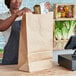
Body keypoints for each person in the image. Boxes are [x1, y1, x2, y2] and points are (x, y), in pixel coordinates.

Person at [0, 0, 51, 65]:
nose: (17, 1)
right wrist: (16, 14)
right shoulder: (3, 17)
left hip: (27, 57)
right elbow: (1, 27)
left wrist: (43, 10)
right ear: (8, 1)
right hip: (10, 57)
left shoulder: (28, 14)